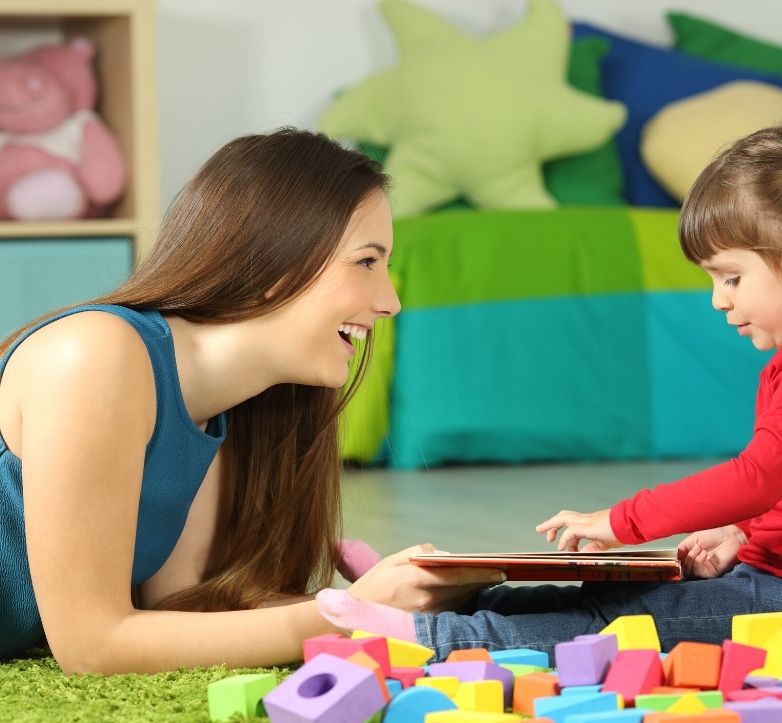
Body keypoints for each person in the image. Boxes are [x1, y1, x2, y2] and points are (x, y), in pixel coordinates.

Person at [316, 121, 782, 659]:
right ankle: (435, 604)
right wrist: (744, 535)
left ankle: (431, 638)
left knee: (623, 623)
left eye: (731, 278)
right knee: (615, 591)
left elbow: (759, 477)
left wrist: (623, 521)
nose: (719, 301)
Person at [0, 128, 500, 673]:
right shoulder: (94, 355)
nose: (390, 303)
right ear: (274, 263)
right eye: (365, 262)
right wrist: (349, 614)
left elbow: (183, 608)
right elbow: (92, 646)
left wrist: (403, 601)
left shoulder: (219, 406)